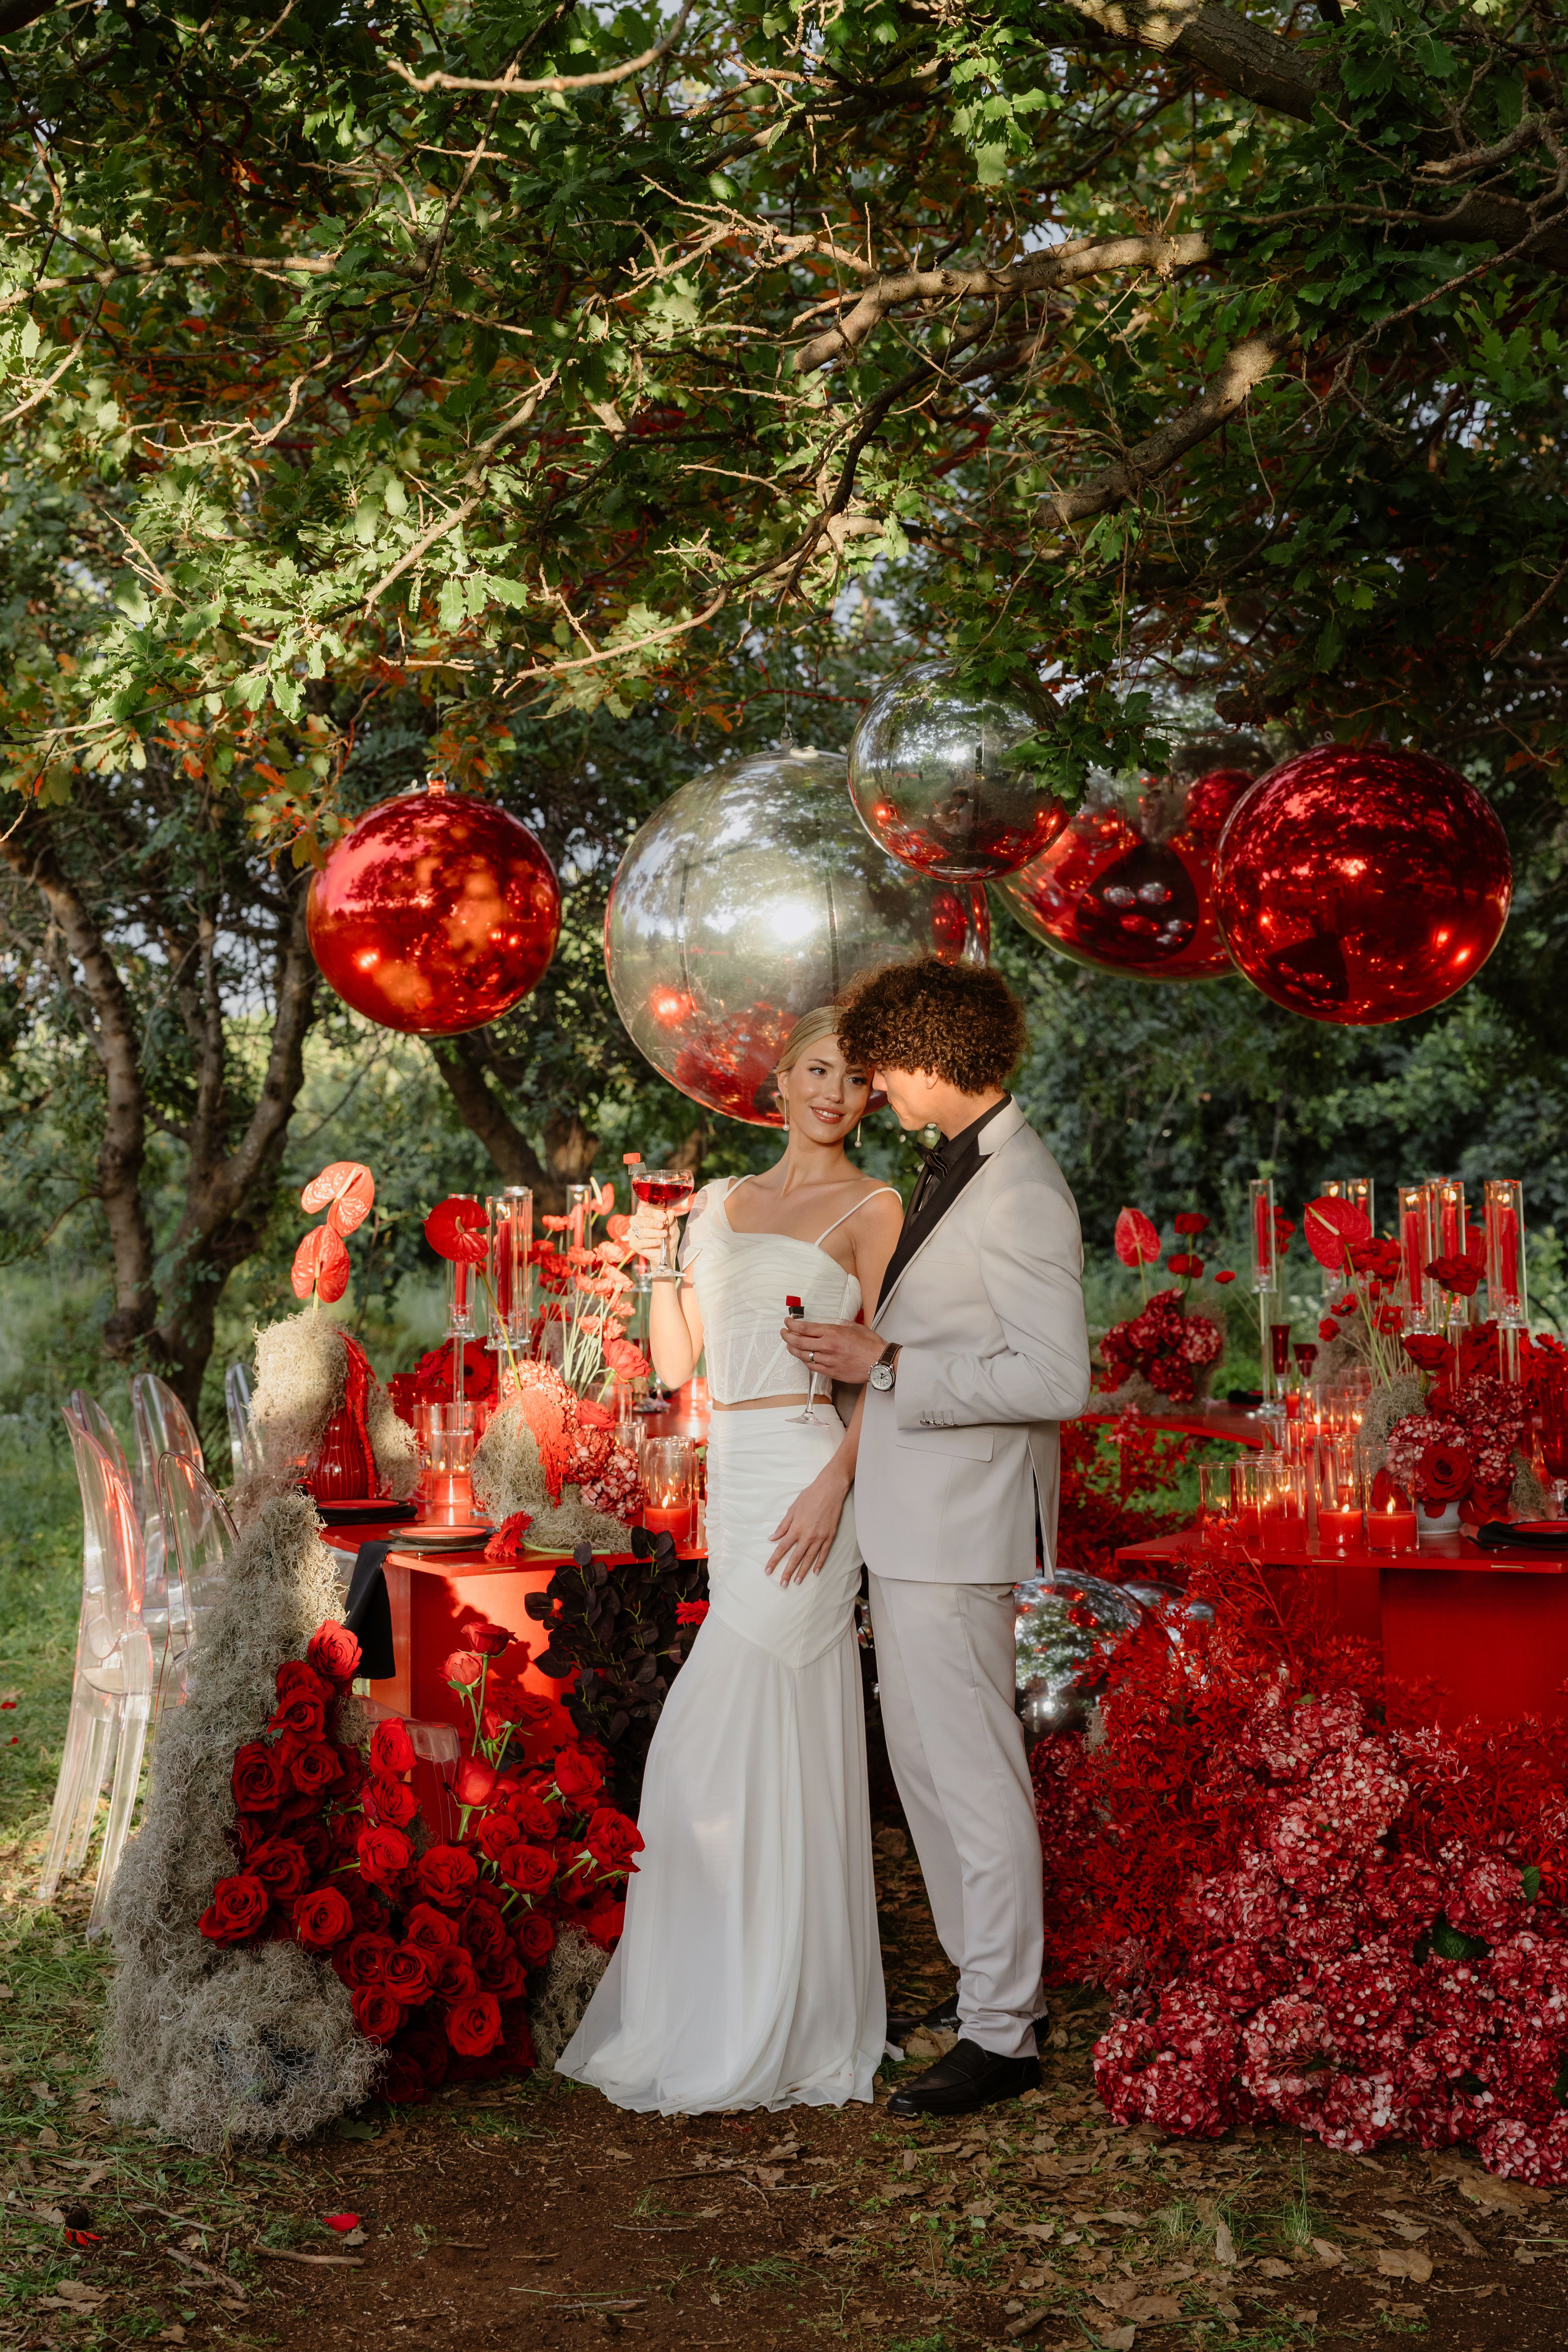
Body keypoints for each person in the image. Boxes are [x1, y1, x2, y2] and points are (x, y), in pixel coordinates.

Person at [556, 1007, 905, 2114]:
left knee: (709, 1745)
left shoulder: (874, 1206)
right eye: (819, 1070)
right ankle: (726, 1999)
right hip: (736, 1468)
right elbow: (677, 1365)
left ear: (870, 1101)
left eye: (856, 1080)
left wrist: (837, 1480)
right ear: (782, 1080)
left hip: (810, 1467)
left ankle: (780, 2007)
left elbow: (895, 1366)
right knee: (753, 1742)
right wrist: (664, 1264)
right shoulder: (719, 1203)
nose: (834, 1093)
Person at [780, 956, 1090, 2119]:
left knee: (972, 1778)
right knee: (925, 1771)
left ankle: (1004, 2034)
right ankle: (989, 2000)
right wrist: (861, 1361)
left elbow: (1058, 1379)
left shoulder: (1021, 1187)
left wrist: (891, 1363)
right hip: (914, 1522)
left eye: (884, 1068)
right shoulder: (961, 1164)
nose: (875, 1088)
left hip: (963, 1528)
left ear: (930, 1056)